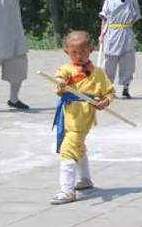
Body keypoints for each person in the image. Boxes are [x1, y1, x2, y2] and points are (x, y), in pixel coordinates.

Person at [51, 31, 115, 205]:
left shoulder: (98, 73)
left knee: (67, 150)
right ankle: (85, 180)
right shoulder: (67, 69)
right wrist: (60, 82)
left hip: (83, 116)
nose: (78, 56)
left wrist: (104, 102)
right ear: (66, 52)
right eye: (74, 52)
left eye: (82, 51)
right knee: (78, 147)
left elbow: (110, 93)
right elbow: (60, 77)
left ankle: (67, 191)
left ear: (91, 50)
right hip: (69, 114)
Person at [99, 0, 141, 99]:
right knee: (109, 61)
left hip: (126, 32)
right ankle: (108, 89)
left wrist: (126, 25)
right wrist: (102, 33)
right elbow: (104, 17)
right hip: (112, 32)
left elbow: (136, 17)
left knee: (127, 61)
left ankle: (126, 88)